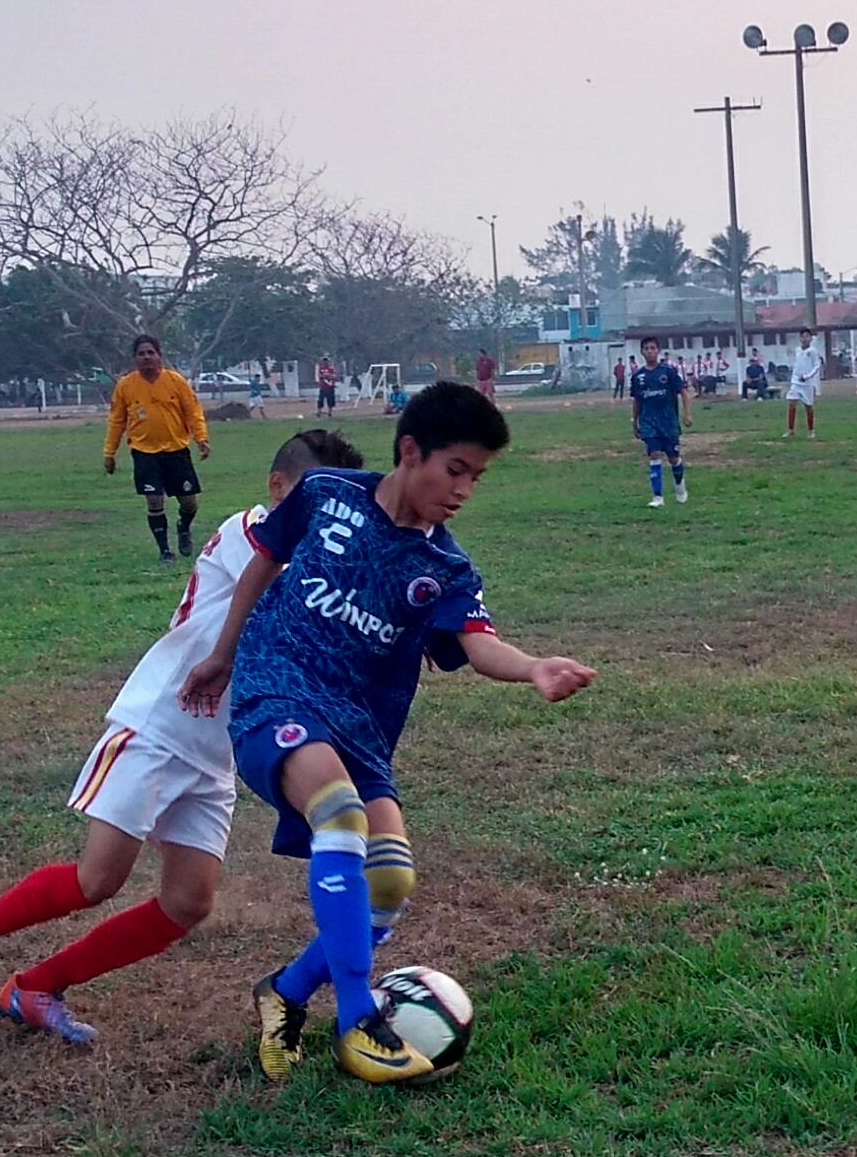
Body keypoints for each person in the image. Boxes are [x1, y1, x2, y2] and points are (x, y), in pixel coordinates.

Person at [177, 384, 597, 1083]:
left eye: (476, 477)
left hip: (358, 726)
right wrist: (224, 653)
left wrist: (532, 668)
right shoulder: (324, 494)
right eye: (454, 470)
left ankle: (284, 991)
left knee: (391, 880)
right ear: (409, 451)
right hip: (276, 689)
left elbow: (476, 643)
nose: (463, 490)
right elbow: (263, 561)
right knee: (340, 816)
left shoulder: (446, 569)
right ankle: (357, 1023)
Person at [0, 429, 367, 1045]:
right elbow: (291, 596)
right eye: (316, 503)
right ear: (278, 488)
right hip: (160, 726)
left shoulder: (319, 563)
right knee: (96, 880)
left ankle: (35, 988)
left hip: (214, 754)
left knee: (188, 904)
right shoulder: (250, 531)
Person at [104, 335, 211, 565]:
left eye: (150, 352)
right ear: (135, 358)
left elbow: (193, 412)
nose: (146, 357)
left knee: (189, 503)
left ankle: (184, 527)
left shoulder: (175, 381)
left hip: (176, 451)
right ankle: (165, 552)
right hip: (144, 453)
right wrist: (109, 453)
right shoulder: (125, 386)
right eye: (141, 354)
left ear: (159, 356)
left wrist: (201, 438)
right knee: (154, 501)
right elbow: (116, 421)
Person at [632, 336, 693, 506]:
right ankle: (657, 497)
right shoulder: (638, 376)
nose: (649, 351)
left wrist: (687, 414)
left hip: (668, 422)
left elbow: (683, 392)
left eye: (652, 348)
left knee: (673, 458)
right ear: (642, 352)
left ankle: (680, 487)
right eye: (646, 349)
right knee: (654, 454)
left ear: (658, 351)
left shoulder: (668, 372)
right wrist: (634, 422)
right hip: (648, 422)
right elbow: (636, 401)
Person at [785, 327, 822, 439]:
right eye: (802, 337)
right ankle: (790, 430)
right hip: (796, 382)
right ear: (799, 338)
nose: (805, 339)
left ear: (811, 338)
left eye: (807, 336)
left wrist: (807, 376)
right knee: (792, 403)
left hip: (807, 383)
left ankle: (811, 431)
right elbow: (795, 364)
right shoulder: (797, 350)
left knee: (808, 407)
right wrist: (794, 377)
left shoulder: (813, 351)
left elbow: (816, 366)